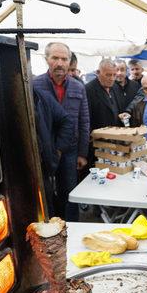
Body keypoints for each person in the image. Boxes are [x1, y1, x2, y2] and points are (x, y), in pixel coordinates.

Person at [32, 42, 89, 221]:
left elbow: (84, 120)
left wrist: (82, 153)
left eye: (64, 59)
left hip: (70, 150)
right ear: (46, 59)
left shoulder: (78, 86)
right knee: (45, 193)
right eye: (55, 58)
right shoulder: (35, 85)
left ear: (69, 61)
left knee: (70, 193)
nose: (60, 63)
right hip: (44, 150)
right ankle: (50, 230)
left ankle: (72, 229)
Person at [32, 87, 74, 216]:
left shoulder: (41, 96)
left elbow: (66, 121)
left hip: (43, 168)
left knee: (46, 212)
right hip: (17, 172)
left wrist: (58, 150)